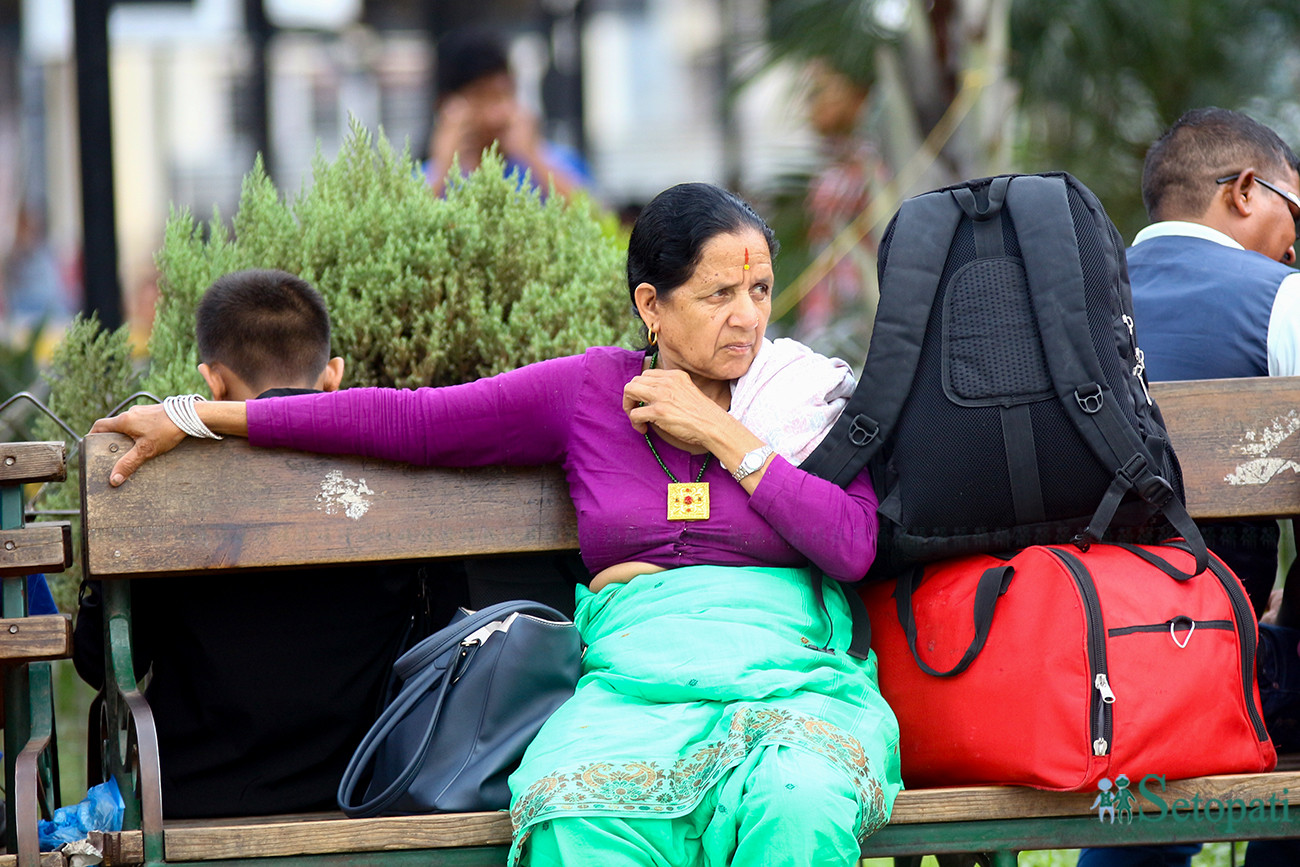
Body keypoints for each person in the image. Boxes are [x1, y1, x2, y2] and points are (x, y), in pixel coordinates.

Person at [90, 184, 903, 866]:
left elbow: (851, 543)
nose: (748, 319)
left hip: (787, 677)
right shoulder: (590, 393)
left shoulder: (799, 403)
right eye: (718, 295)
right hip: (635, 686)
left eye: (758, 292)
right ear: (651, 306)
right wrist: (204, 419)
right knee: (575, 819)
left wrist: (725, 434)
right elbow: (409, 422)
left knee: (797, 802)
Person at [73, 269, 463, 818]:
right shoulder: (391, 473)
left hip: (192, 803)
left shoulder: (165, 492)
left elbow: (102, 663)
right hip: (365, 792)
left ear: (214, 383)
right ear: (333, 376)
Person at [1082, 107, 1300, 867]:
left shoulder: (1066, 306)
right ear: (1245, 190)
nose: (1294, 239)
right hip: (1219, 669)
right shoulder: (1283, 299)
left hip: (1071, 677)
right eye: (1292, 210)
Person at [423, 27, 591, 200]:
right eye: (481, 98)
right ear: (448, 106)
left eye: (505, 95)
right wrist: (443, 166)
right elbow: (411, 221)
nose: (498, 115)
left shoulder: (559, 163)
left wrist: (532, 157)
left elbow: (597, 218)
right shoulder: (425, 179)